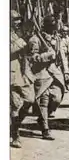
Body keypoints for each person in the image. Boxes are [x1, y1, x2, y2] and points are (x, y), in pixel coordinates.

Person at [10, 10, 35, 148]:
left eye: (19, 19)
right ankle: (15, 135)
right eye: (14, 20)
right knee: (14, 106)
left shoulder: (18, 33)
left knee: (30, 100)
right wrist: (22, 40)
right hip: (11, 74)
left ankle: (14, 125)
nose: (18, 22)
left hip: (24, 73)